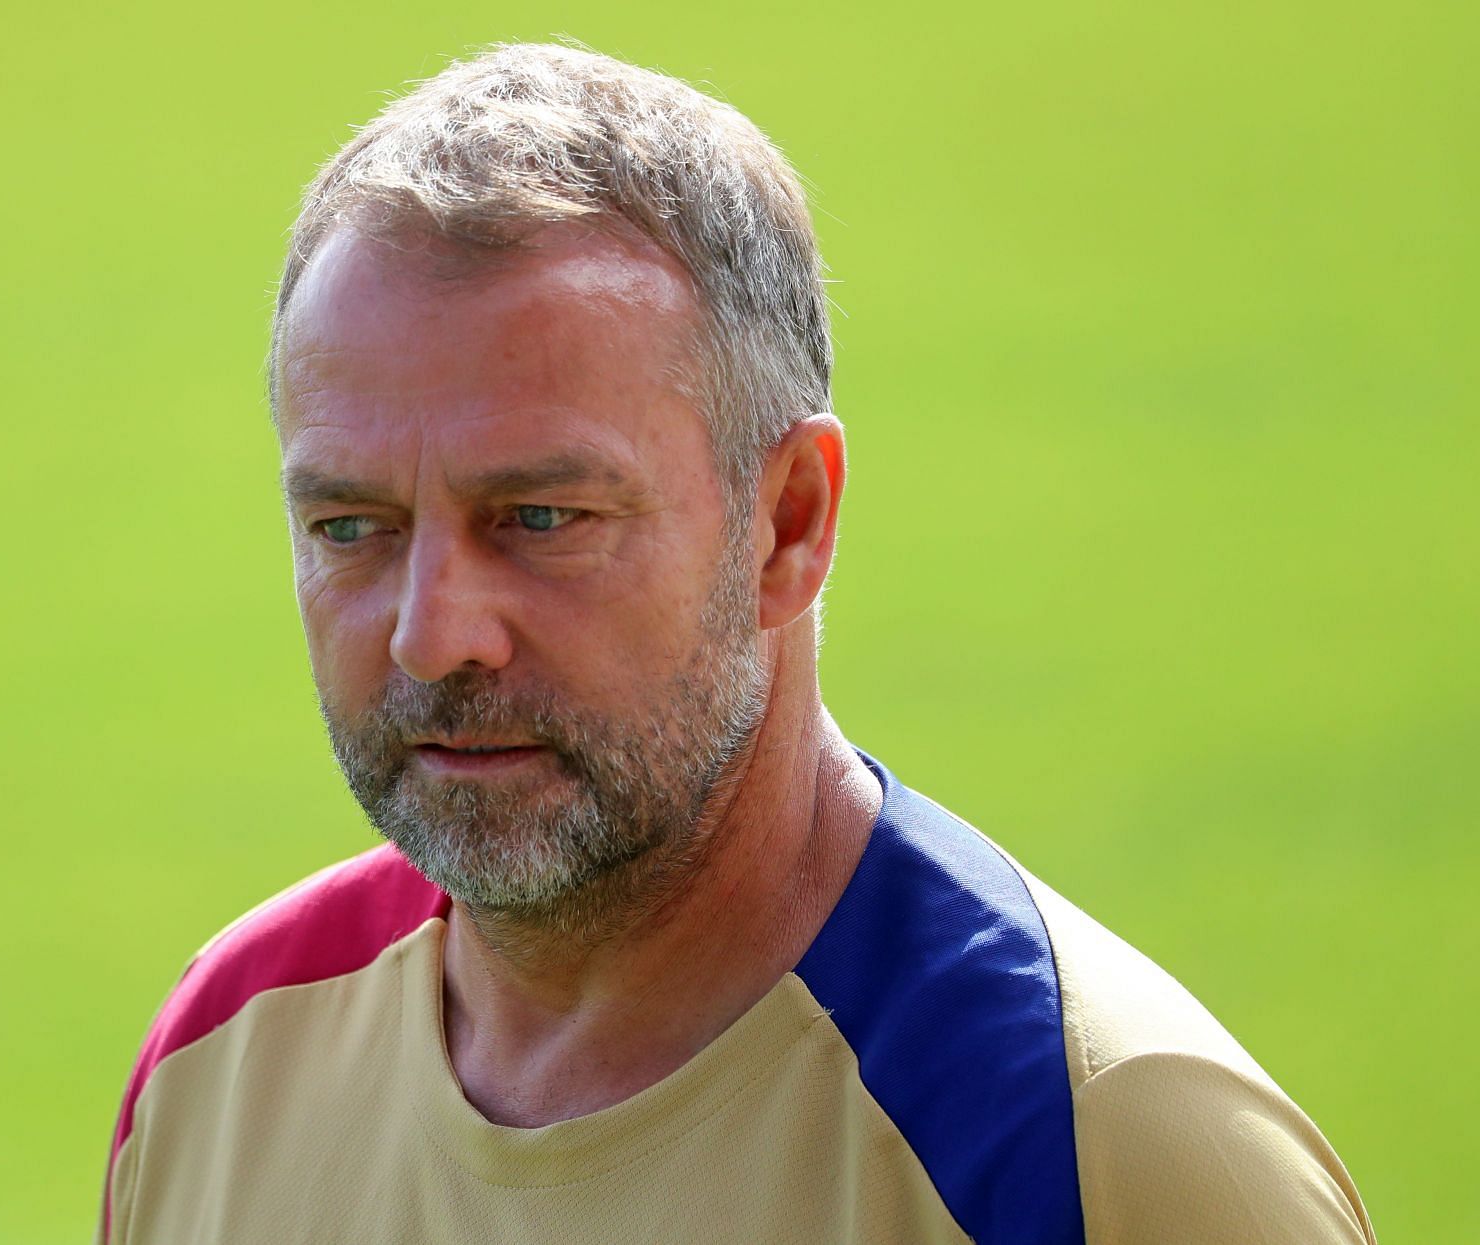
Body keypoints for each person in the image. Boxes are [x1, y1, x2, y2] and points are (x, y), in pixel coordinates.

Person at [97, 43, 1375, 1244]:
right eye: (349, 526)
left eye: (542, 518)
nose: (434, 637)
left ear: (789, 525)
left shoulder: (1104, 1153)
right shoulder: (225, 1062)